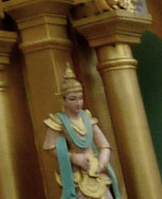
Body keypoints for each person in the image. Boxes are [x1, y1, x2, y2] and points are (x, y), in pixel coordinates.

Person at [43, 64, 121, 198]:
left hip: (96, 170)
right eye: (73, 99)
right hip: (77, 172)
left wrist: (102, 161)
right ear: (63, 100)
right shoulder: (59, 121)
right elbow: (49, 147)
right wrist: (73, 158)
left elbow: (104, 145)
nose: (78, 103)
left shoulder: (87, 118)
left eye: (80, 98)